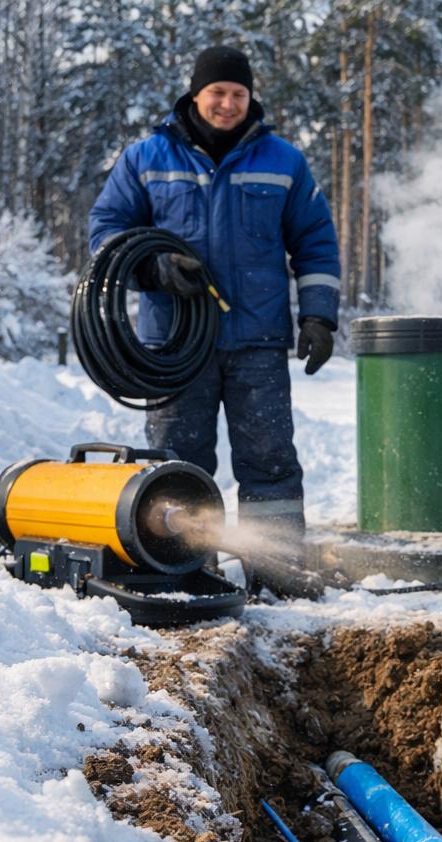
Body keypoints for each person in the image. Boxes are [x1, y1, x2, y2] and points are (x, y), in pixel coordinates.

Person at [89, 45, 341, 583]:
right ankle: (182, 568)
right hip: (177, 347)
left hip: (258, 342)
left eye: (238, 93)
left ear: (251, 97)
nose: (227, 103)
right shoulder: (147, 158)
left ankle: (278, 572)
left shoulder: (283, 161)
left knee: (270, 461)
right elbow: (106, 230)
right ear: (195, 94)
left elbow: (316, 242)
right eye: (217, 93)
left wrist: (319, 317)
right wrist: (155, 269)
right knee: (176, 464)